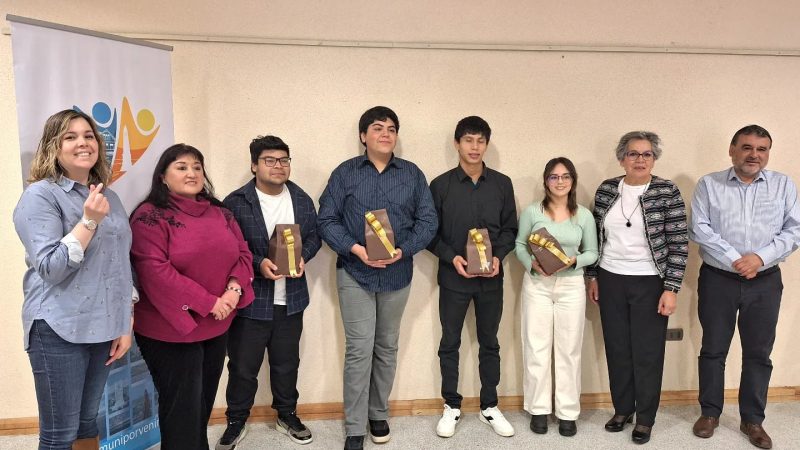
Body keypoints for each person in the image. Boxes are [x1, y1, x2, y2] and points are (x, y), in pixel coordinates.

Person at [13, 109, 135, 450]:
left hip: (104, 325)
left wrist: (125, 320)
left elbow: (119, 264)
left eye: (88, 135)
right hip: (57, 327)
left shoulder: (109, 197)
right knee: (59, 434)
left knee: (86, 422)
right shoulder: (40, 196)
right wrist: (89, 222)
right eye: (70, 137)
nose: (83, 142)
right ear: (54, 147)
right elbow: (51, 267)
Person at [317, 106, 438, 450]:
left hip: (398, 274)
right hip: (354, 272)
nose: (386, 133)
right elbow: (327, 219)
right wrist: (355, 249)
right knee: (359, 349)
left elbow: (428, 222)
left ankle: (377, 413)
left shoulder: (413, 174)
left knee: (387, 346)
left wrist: (405, 249)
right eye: (378, 128)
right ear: (363, 136)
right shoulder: (345, 173)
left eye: (392, 129)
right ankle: (355, 426)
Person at [129, 144, 254, 450]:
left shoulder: (220, 212)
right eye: (181, 167)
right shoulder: (149, 216)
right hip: (170, 329)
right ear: (163, 177)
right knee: (181, 412)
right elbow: (153, 270)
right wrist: (210, 302)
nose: (192, 173)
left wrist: (233, 290)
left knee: (200, 408)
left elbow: (243, 253)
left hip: (217, 324)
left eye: (197, 166)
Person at [689, 125, 800, 450]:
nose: (754, 155)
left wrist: (760, 258)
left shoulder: (783, 185)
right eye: (747, 147)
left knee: (758, 353)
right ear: (732, 150)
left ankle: (753, 419)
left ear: (768, 153)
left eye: (762, 149)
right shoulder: (710, 184)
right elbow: (700, 227)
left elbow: (794, 230)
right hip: (718, 279)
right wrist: (738, 259)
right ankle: (709, 412)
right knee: (713, 349)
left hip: (765, 282)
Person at [217, 135, 321, 448]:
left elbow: (315, 237)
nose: (278, 166)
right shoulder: (236, 202)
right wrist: (258, 262)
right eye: (270, 160)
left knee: (287, 362)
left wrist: (305, 255)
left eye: (284, 160)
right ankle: (236, 419)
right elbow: (228, 247)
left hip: (291, 299)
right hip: (251, 300)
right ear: (254, 165)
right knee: (242, 365)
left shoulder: (301, 198)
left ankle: (286, 414)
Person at [585, 131, 688, 445]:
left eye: (646, 154)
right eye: (633, 154)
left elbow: (679, 242)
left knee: (647, 352)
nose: (640, 160)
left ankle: (645, 417)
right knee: (617, 348)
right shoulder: (606, 191)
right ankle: (622, 410)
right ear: (621, 159)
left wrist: (671, 288)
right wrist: (592, 276)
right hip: (611, 278)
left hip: (650, 281)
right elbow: (593, 238)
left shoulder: (667, 190)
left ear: (654, 159)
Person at [427, 116, 518, 438]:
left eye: (480, 141)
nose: (474, 147)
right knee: (449, 342)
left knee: (489, 343)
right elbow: (429, 233)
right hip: (454, 278)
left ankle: (489, 406)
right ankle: (451, 406)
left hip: (491, 279)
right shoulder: (440, 185)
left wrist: (498, 256)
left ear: (487, 144)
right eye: (468, 140)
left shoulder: (502, 183)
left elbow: (510, 229)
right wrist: (452, 257)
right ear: (457, 144)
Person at [514, 157, 598, 437]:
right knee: (536, 346)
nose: (559, 181)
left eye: (565, 176)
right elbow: (519, 245)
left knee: (569, 349)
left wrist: (574, 261)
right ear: (546, 181)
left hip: (571, 287)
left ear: (572, 181)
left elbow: (593, 252)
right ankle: (538, 409)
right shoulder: (532, 212)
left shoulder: (583, 215)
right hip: (538, 285)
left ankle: (567, 412)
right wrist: (531, 264)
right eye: (553, 176)